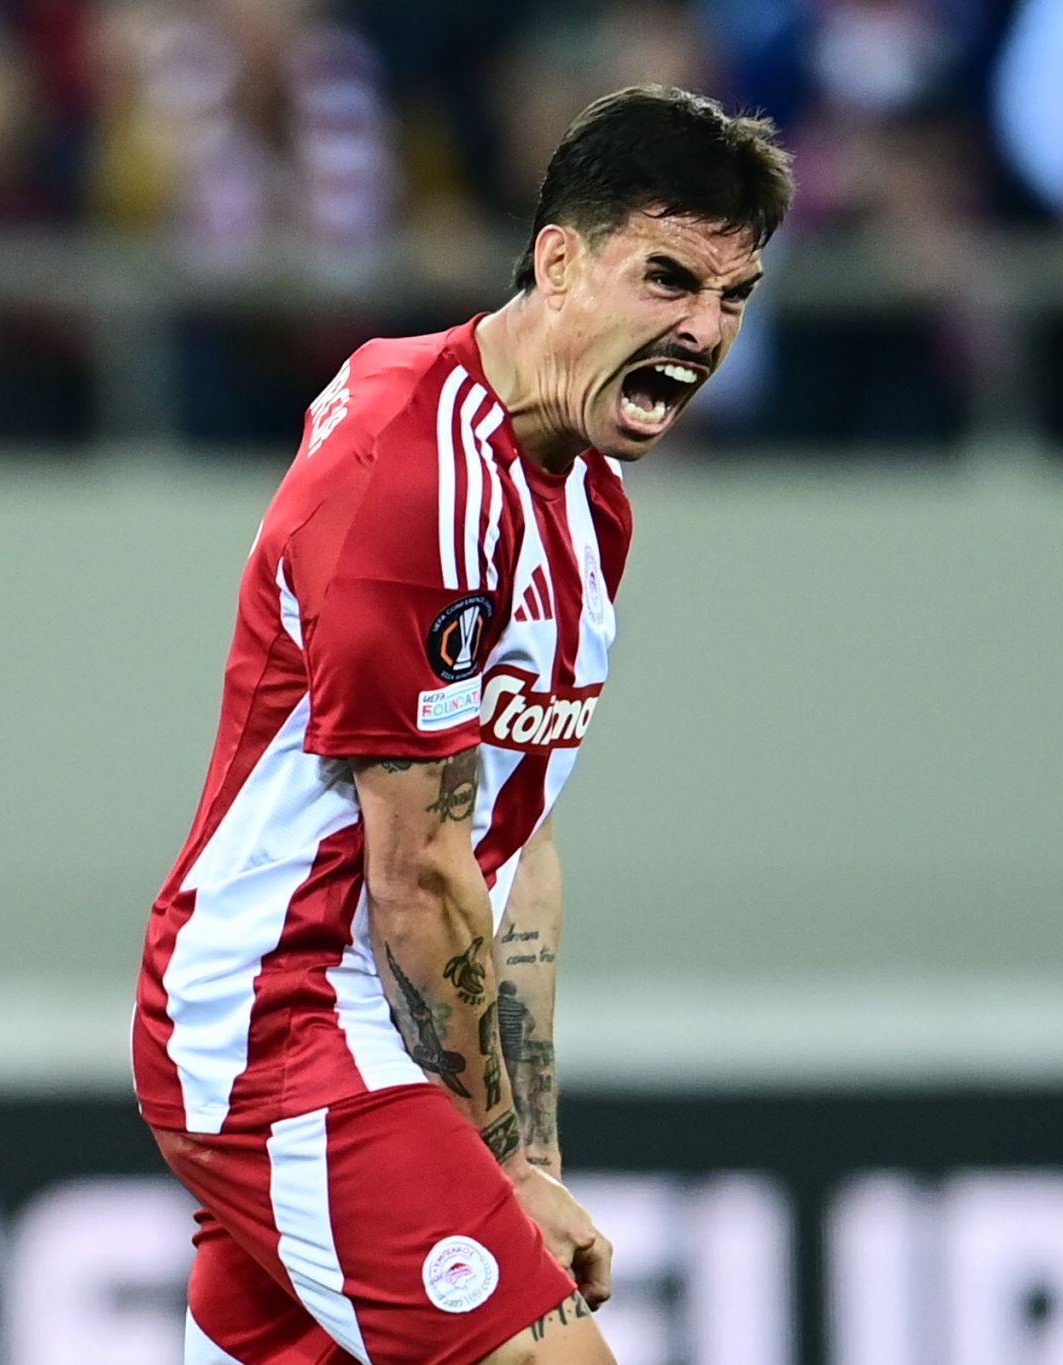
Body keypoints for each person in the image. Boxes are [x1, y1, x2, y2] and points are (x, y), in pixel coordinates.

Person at [132, 84, 793, 1365]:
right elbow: (417, 874)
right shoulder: (419, 478)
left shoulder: (584, 496)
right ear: (559, 262)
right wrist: (495, 1170)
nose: (704, 331)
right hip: (283, 1021)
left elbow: (509, 843)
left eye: (733, 297)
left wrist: (528, 1150)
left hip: (371, 1023)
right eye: (666, 279)